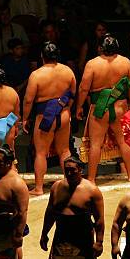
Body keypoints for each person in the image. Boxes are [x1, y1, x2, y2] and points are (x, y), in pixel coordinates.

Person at [39, 156, 105, 259]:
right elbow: (50, 212)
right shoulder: (57, 187)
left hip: (82, 234)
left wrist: (99, 242)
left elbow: (99, 220)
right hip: (62, 232)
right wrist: (44, 233)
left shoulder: (92, 190)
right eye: (66, 170)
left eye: (72, 170)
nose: (69, 173)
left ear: (80, 170)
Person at [76, 33, 130, 183]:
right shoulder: (125, 62)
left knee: (95, 144)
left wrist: (79, 106)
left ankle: (91, 179)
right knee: (123, 141)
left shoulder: (92, 64)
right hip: (120, 107)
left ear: (100, 48)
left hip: (99, 109)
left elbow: (84, 88)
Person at [23, 42, 76, 196]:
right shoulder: (68, 71)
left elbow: (28, 100)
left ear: (42, 56)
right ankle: (69, 182)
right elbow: (72, 93)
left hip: (45, 115)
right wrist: (67, 108)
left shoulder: (37, 74)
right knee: (65, 150)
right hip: (64, 113)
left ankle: (39, 188)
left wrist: (25, 118)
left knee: (40, 152)